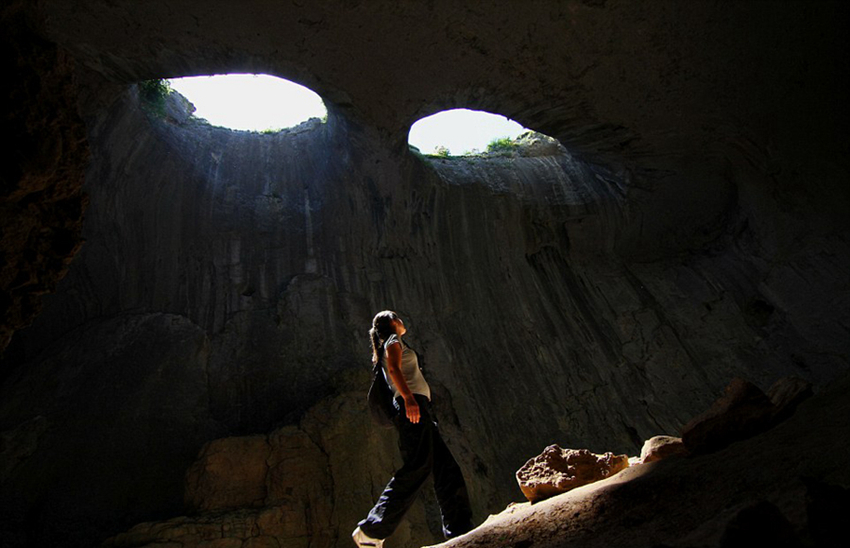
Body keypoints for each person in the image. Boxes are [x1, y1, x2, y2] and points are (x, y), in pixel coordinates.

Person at [352, 310, 473, 548]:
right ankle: (371, 530)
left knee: (446, 469)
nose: (402, 320)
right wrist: (408, 399)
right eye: (398, 317)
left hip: (418, 408)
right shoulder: (393, 341)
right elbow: (396, 370)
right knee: (418, 467)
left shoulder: (390, 343)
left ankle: (460, 530)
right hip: (412, 407)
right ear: (392, 323)